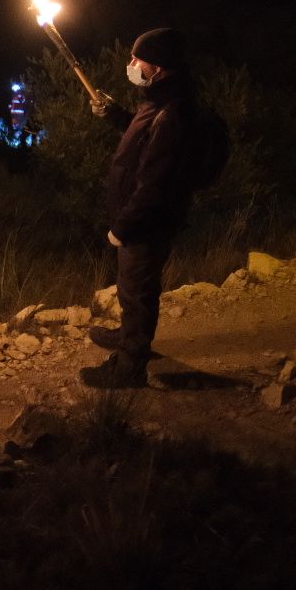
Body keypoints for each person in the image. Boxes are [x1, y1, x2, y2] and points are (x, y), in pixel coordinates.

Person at [81, 28, 200, 389]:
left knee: (137, 288)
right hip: (142, 218)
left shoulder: (173, 113)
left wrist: (124, 226)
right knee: (130, 285)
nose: (131, 64)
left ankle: (130, 366)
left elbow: (155, 185)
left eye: (138, 60)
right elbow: (142, 141)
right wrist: (115, 115)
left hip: (147, 221)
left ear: (159, 68)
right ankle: (128, 333)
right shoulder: (159, 100)